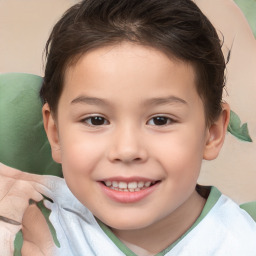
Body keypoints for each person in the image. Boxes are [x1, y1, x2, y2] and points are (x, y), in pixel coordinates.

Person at [1, 0, 256, 255]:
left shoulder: (244, 240)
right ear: (55, 134)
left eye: (160, 120)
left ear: (212, 133)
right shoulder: (20, 228)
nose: (126, 150)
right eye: (96, 120)